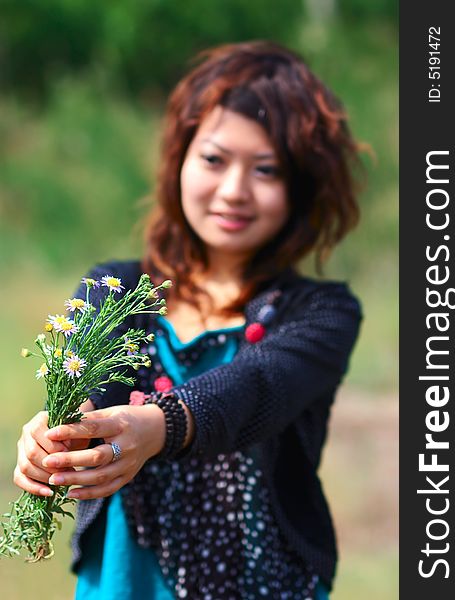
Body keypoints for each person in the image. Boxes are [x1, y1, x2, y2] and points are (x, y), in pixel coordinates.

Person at [14, 41, 363, 599]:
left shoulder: (321, 313)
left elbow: (255, 387)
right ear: (180, 157)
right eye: (214, 159)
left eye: (267, 169)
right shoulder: (118, 289)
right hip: (124, 584)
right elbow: (84, 392)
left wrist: (159, 427)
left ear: (302, 187)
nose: (233, 191)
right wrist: (50, 437)